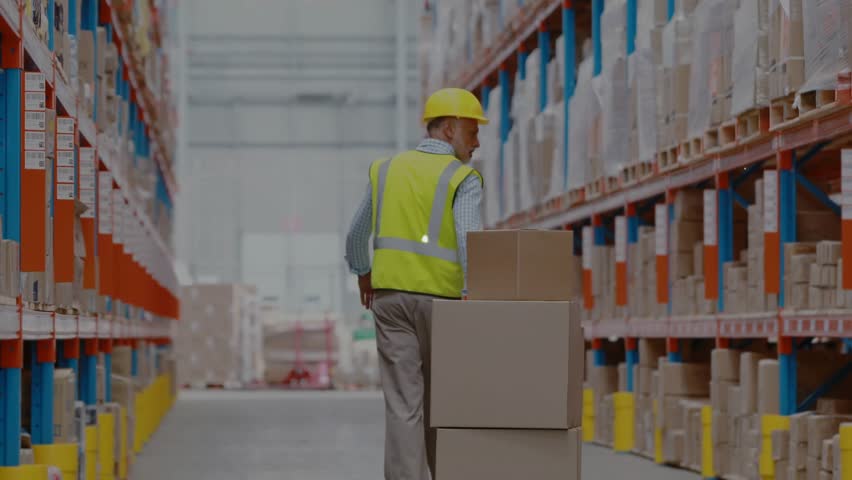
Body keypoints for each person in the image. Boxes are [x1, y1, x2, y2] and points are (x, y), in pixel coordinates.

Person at [344, 87, 487, 480]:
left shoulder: (385, 170)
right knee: (445, 405)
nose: (477, 143)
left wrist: (363, 272)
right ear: (449, 129)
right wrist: (474, 295)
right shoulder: (462, 178)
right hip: (444, 306)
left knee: (403, 404)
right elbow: (469, 241)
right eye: (473, 132)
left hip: (390, 302)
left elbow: (355, 235)